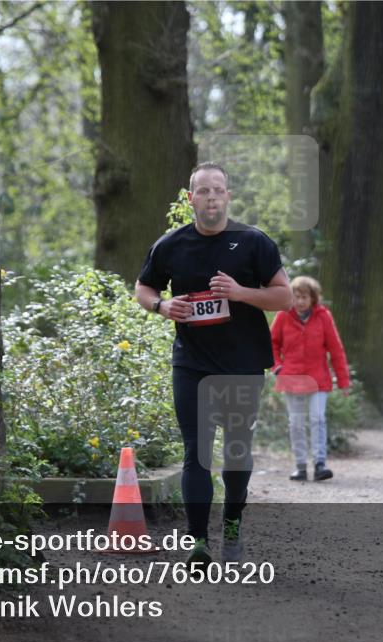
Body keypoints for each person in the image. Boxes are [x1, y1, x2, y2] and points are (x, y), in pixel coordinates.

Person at [135, 162, 292, 566]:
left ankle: (234, 523)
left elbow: (284, 298)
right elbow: (144, 286)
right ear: (190, 198)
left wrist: (240, 292)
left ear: (228, 197)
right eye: (202, 191)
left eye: (217, 190)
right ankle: (198, 541)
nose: (210, 197)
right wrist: (161, 305)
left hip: (241, 363)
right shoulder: (170, 245)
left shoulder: (255, 242)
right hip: (192, 363)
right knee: (196, 452)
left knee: (237, 453)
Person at [270, 276, 351, 482]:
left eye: (304, 297)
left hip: (318, 378)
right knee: (296, 423)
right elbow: (271, 344)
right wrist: (277, 366)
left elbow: (336, 349)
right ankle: (300, 466)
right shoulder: (283, 316)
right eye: (296, 296)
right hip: (291, 377)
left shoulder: (324, 317)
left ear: (313, 298)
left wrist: (343, 381)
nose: (300, 301)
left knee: (317, 419)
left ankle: (320, 463)